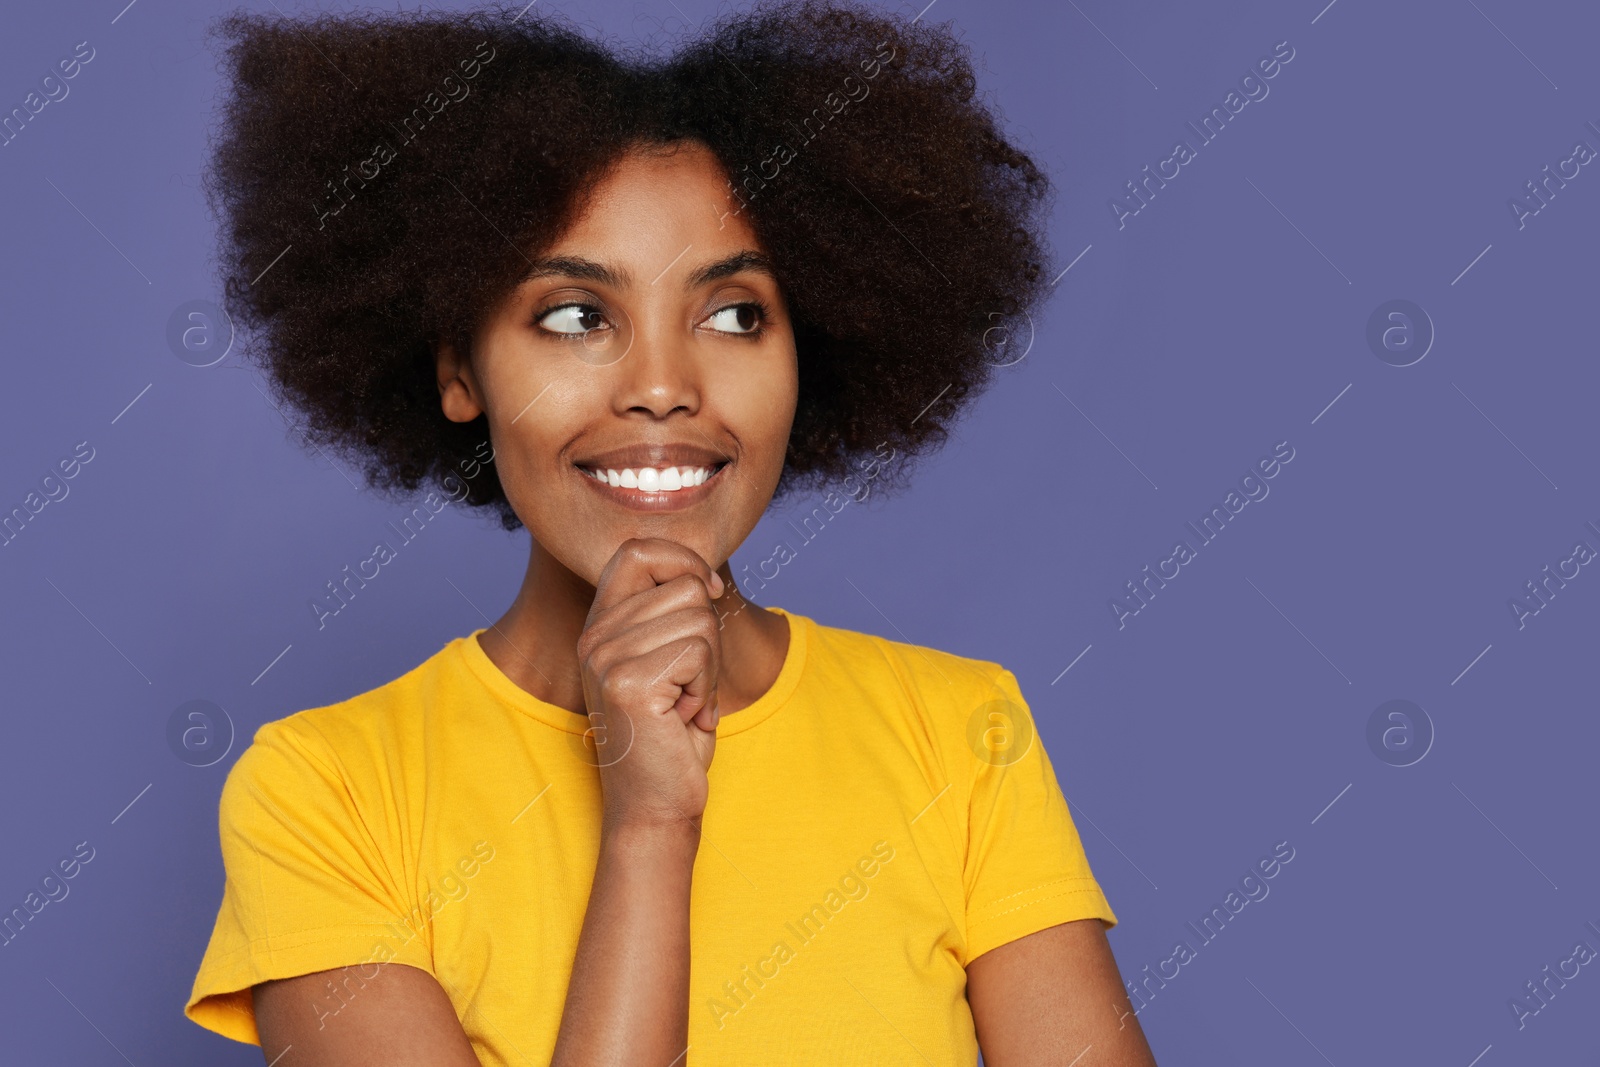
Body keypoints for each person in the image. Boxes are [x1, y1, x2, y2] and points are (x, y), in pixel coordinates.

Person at [183, 1, 1160, 1063]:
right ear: (458, 370)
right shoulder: (326, 790)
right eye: (574, 316)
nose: (661, 386)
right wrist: (649, 826)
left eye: (735, 312)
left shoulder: (964, 734)